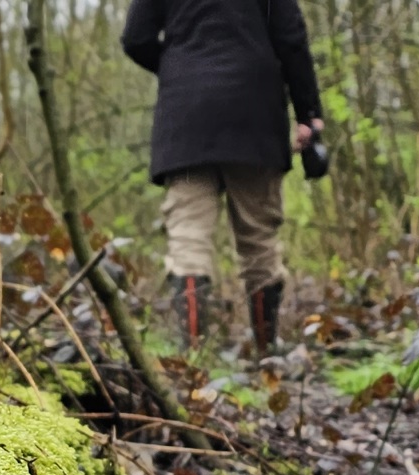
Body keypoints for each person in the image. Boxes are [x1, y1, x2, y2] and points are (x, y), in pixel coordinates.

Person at [120, 0, 326, 353]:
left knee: (188, 241)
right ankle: (266, 357)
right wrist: (309, 112)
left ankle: (195, 365)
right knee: (258, 243)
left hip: (186, 118)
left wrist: (178, 67)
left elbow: (135, 38)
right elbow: (291, 39)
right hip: (255, 113)